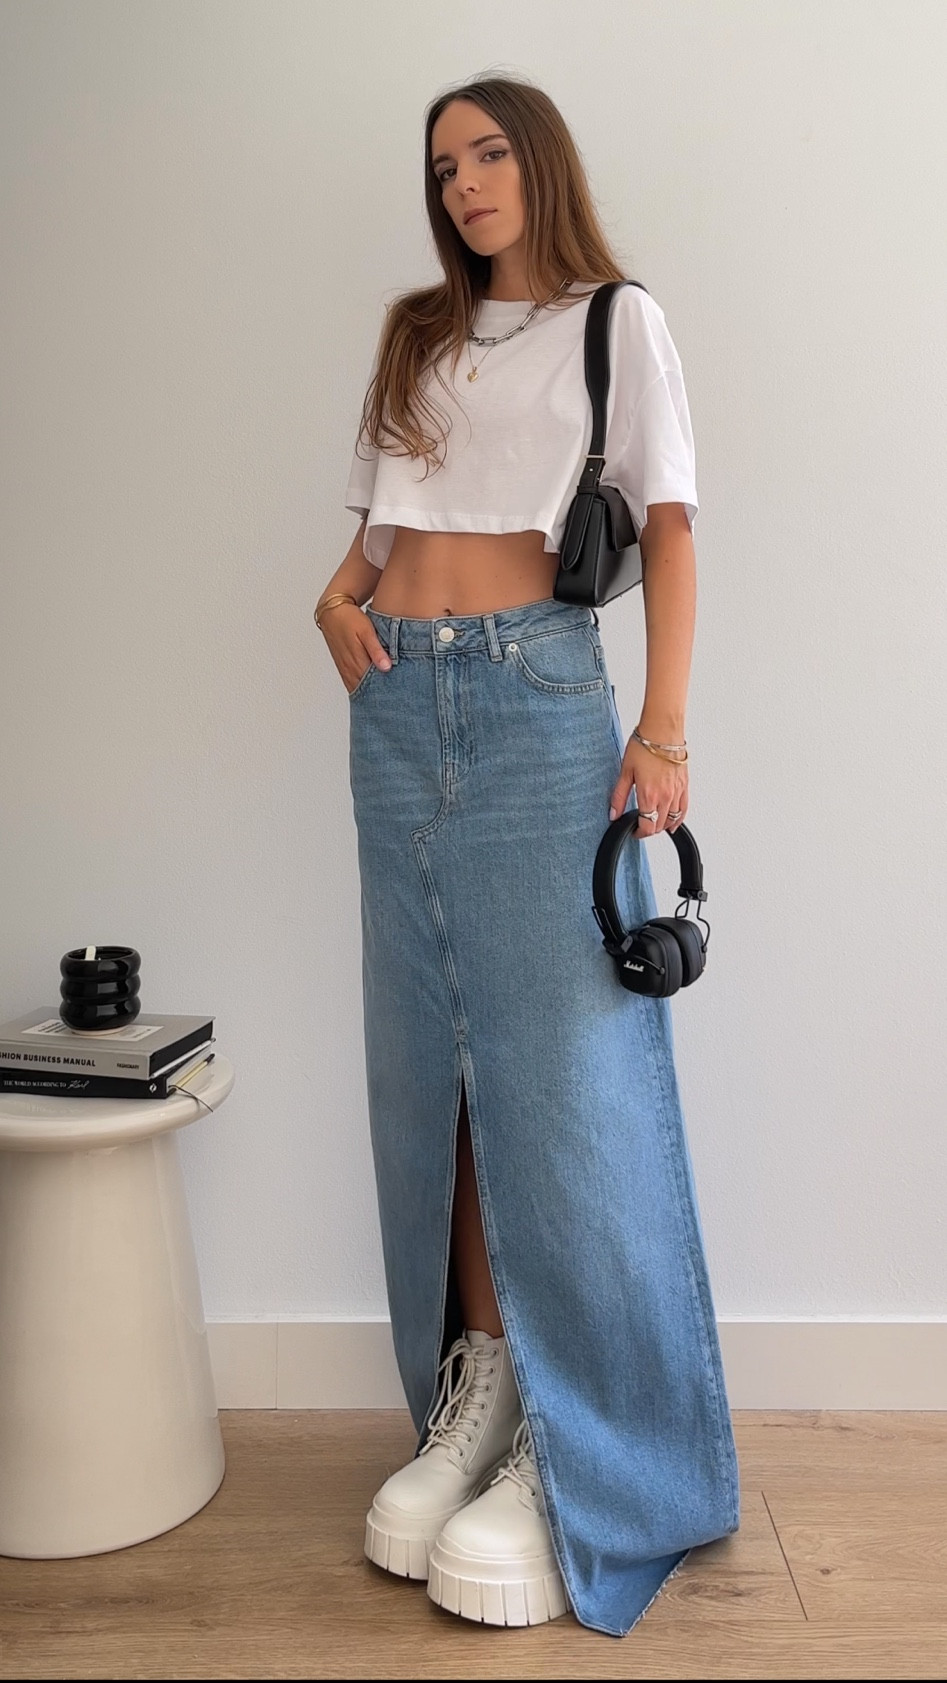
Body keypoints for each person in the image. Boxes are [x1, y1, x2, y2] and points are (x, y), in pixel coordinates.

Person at [314, 73, 740, 1638]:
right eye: (442, 163)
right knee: (435, 1069)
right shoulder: (415, 334)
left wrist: (668, 731)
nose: (466, 181)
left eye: (489, 152)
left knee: (565, 1079)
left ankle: (592, 1456)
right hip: (396, 710)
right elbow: (375, 527)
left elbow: (673, 527)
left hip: (544, 700)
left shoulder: (617, 320)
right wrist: (336, 603)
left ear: (536, 161)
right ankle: (481, 1388)